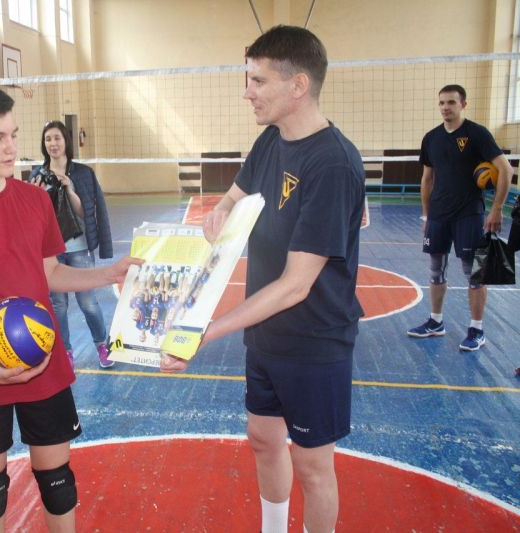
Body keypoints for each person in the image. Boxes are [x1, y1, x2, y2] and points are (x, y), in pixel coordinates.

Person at [161, 26, 365, 533]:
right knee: (262, 438)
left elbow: (296, 285)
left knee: (313, 466)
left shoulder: (333, 164)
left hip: (314, 341)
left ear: (298, 86)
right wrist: (219, 212)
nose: (247, 91)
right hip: (266, 335)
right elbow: (235, 195)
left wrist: (207, 331)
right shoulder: (272, 139)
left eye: (258, 80)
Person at [0, 85, 139, 532]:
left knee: (59, 481)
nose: (12, 148)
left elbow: (50, 273)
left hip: (42, 360)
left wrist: (108, 274)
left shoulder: (35, 200)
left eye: (14, 134)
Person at [407, 85, 512, 351]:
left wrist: (497, 209)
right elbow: (427, 179)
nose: (445, 107)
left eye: (451, 102)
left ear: (463, 104)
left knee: (475, 274)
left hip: (470, 214)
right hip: (439, 216)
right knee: (435, 271)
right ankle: (436, 322)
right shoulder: (431, 138)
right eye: (442, 102)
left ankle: (477, 329)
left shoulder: (477, 133)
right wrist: (426, 217)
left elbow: (506, 169)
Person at [28, 121, 115, 368]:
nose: (53, 143)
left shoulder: (83, 173)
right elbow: (32, 216)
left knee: (88, 302)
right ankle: (64, 351)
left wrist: (69, 188)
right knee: (58, 305)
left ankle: (102, 345)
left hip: (79, 248)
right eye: (48, 139)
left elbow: (85, 212)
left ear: (66, 141)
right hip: (51, 253)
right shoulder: (37, 175)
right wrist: (34, 194)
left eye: (57, 138)